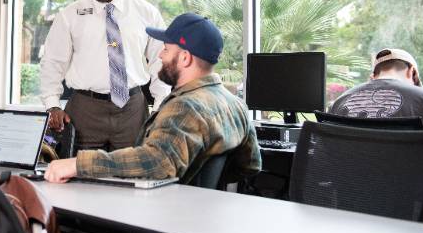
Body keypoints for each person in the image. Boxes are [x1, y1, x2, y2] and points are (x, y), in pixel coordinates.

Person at [45, 13, 261, 184]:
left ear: (185, 58)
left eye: (166, 50)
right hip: (199, 219)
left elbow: (156, 163)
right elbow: (250, 165)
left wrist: (77, 164)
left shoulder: (185, 107)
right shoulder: (235, 105)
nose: (159, 55)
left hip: (163, 221)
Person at [39, 0, 170, 151]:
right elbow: (53, 61)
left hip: (132, 110)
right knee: (78, 176)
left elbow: (160, 61)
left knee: (131, 175)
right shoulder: (70, 14)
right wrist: (52, 104)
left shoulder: (146, 12)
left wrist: (161, 106)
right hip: (85, 109)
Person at [329, 48, 423, 172]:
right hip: (409, 189)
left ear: (373, 76)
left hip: (347, 188)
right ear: (411, 71)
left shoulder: (339, 101)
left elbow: (325, 157)